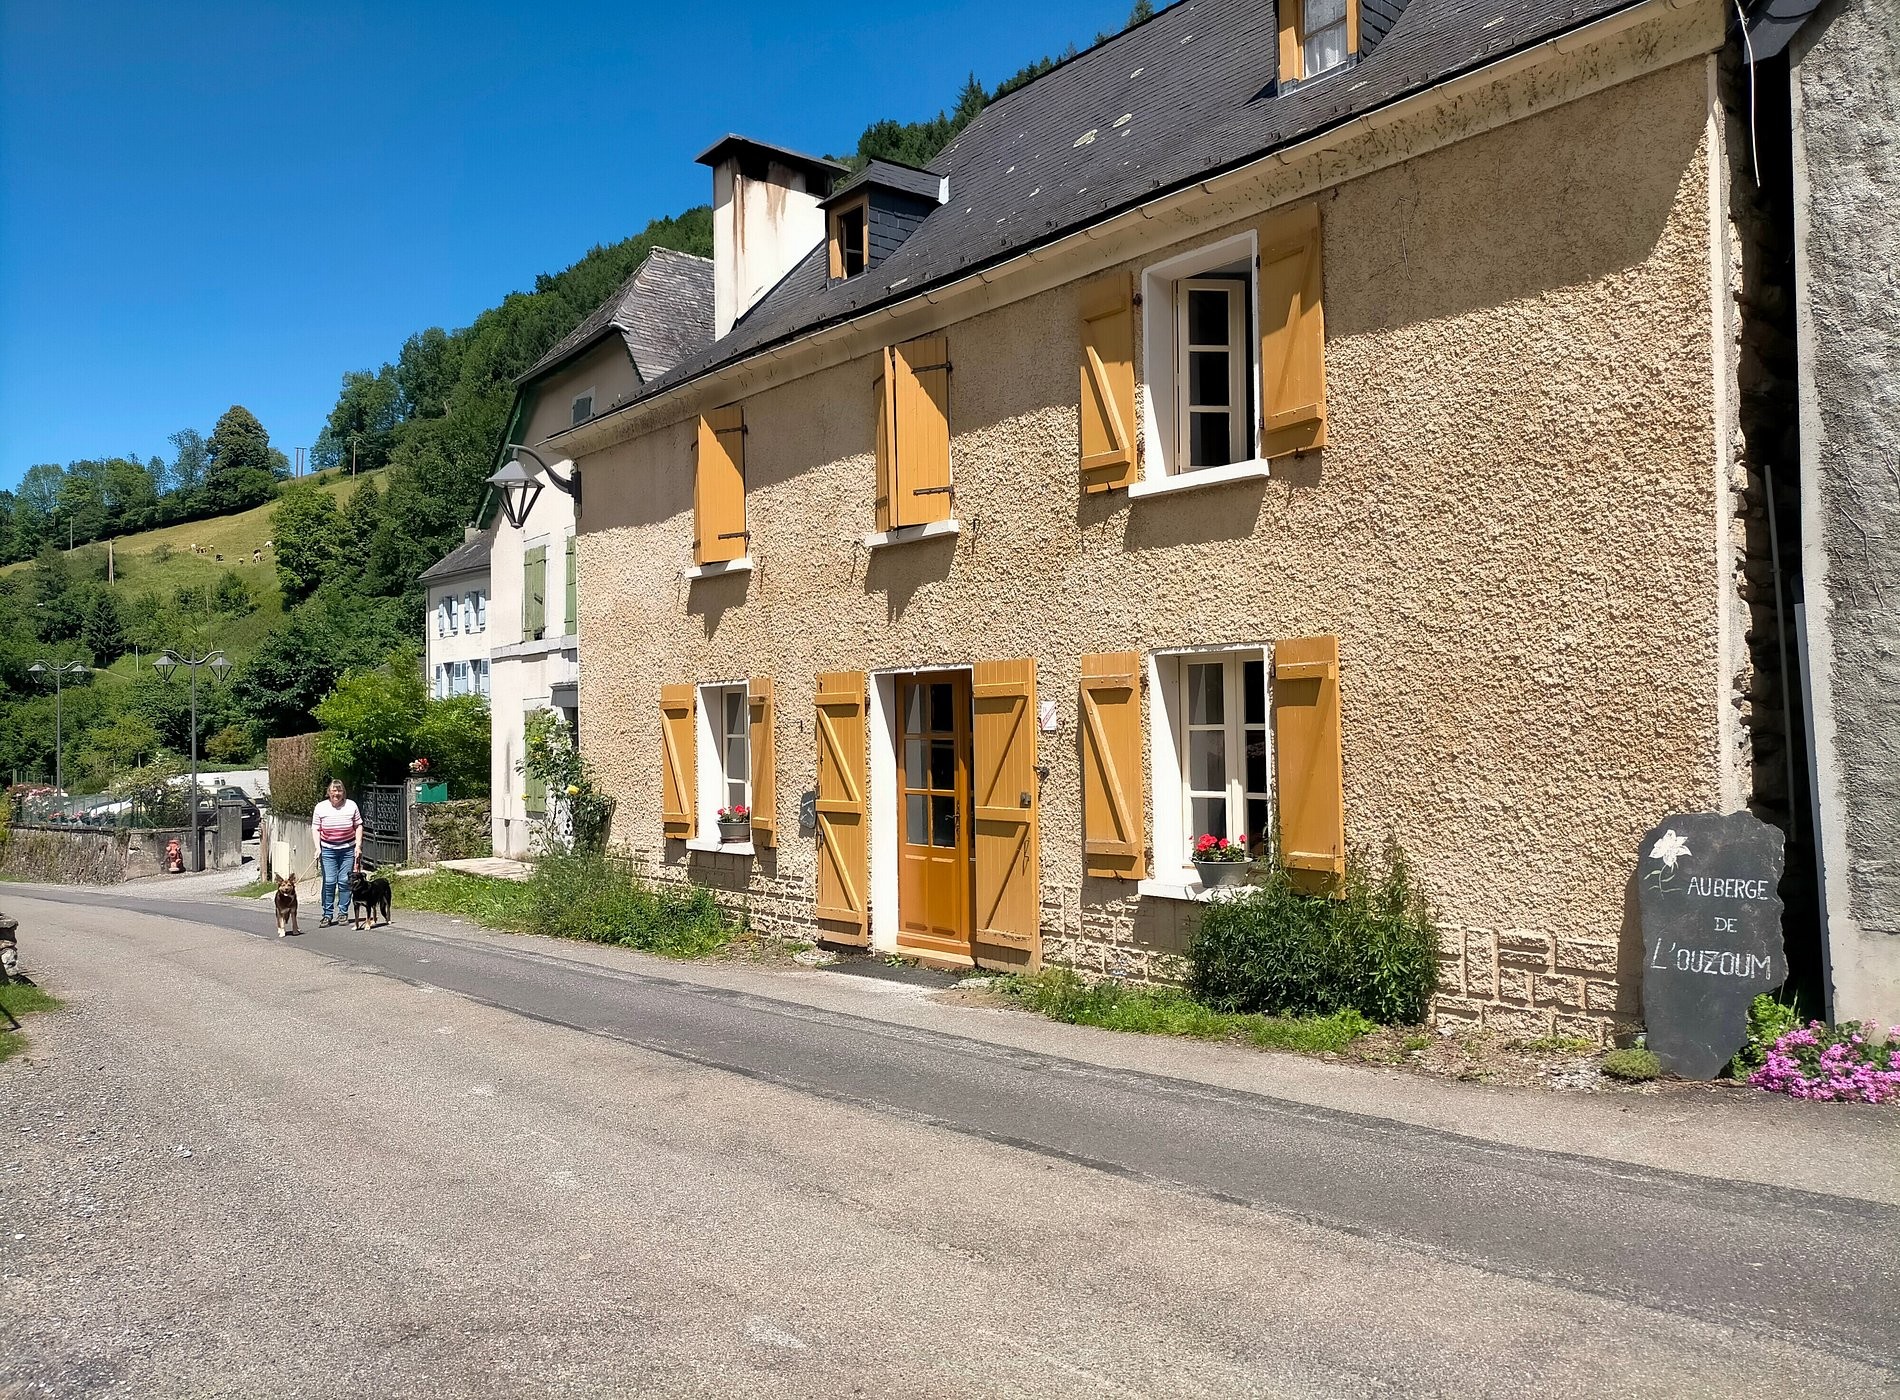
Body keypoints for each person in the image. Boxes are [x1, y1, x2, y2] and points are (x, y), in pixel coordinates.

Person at [310, 780, 363, 927]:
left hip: (347, 849)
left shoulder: (351, 805)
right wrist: (318, 847)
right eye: (334, 791)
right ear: (329, 792)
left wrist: (358, 846)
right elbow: (315, 828)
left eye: (339, 791)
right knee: (329, 882)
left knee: (345, 882)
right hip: (328, 849)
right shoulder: (320, 807)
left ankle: (343, 913)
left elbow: (358, 825)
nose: (336, 794)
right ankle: (327, 914)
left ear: (343, 793)